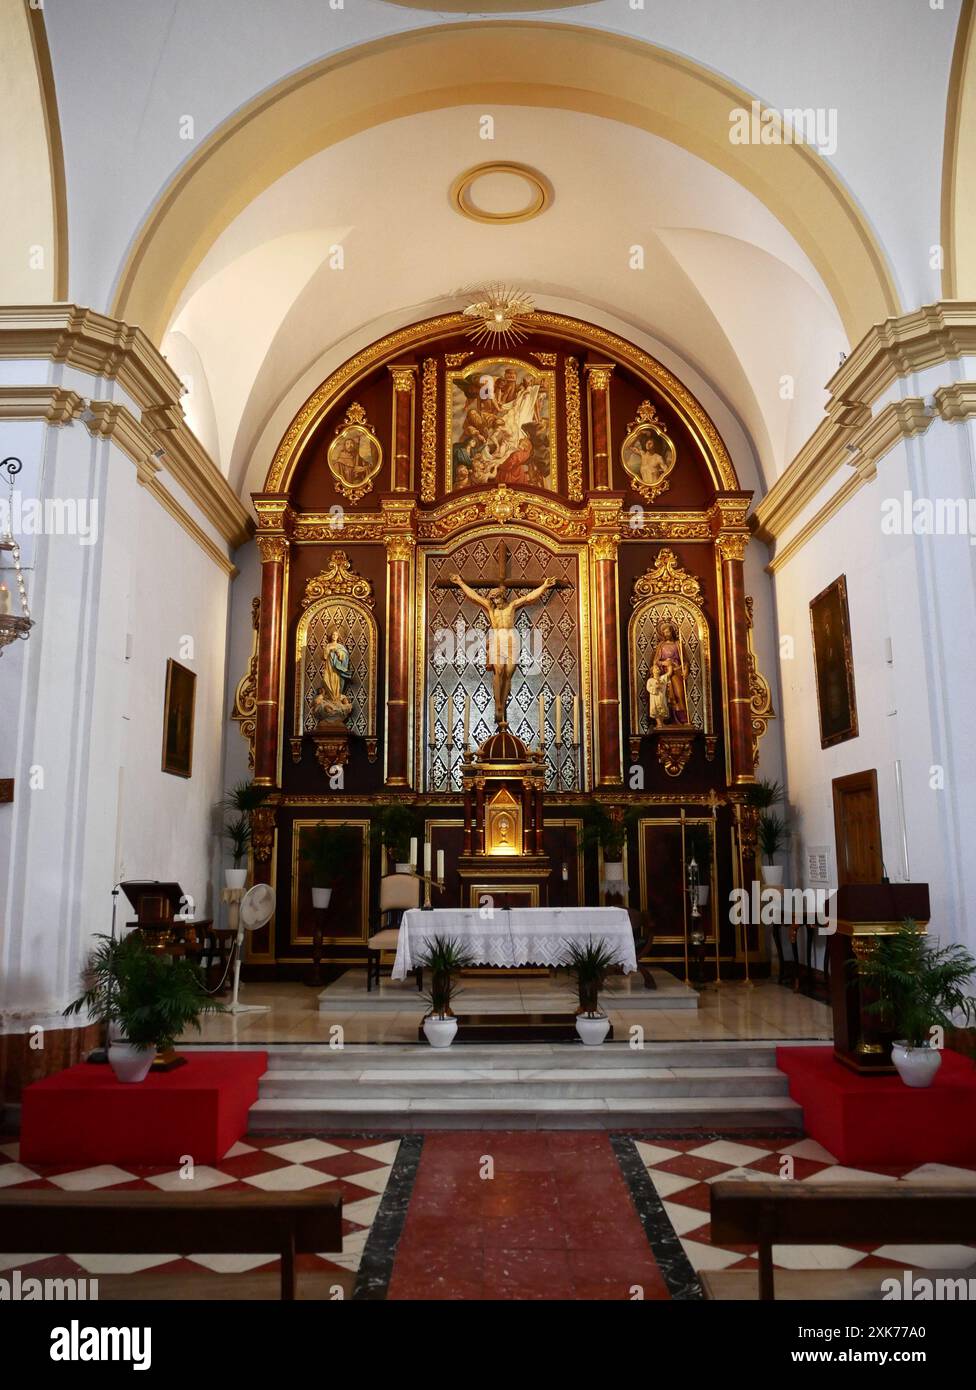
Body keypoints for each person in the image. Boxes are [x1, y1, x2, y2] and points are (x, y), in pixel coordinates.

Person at [449, 573, 557, 728]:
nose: (495, 602)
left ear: (503, 597)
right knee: (499, 670)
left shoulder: (511, 606)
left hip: (511, 639)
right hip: (497, 638)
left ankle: (503, 702)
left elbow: (528, 598)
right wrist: (460, 582)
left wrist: (544, 586)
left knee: (508, 674)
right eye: (492, 599)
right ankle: (498, 703)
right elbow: (474, 596)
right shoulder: (490, 606)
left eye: (497, 598)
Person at [651, 620, 688, 723]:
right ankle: (668, 719)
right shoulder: (661, 646)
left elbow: (685, 661)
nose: (667, 634)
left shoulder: (678, 644)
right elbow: (655, 661)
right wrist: (664, 663)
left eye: (668, 632)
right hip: (664, 673)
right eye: (665, 633)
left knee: (679, 695)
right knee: (666, 697)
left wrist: (685, 670)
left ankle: (682, 719)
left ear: (672, 632)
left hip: (676, 672)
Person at [646, 662, 670, 727]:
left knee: (662, 708)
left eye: (658, 668)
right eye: (655, 668)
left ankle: (662, 722)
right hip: (655, 698)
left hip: (661, 697)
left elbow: (669, 674)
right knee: (655, 709)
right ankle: (658, 722)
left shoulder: (662, 678)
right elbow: (648, 688)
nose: (657, 669)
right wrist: (655, 688)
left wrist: (669, 665)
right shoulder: (650, 680)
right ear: (652, 671)